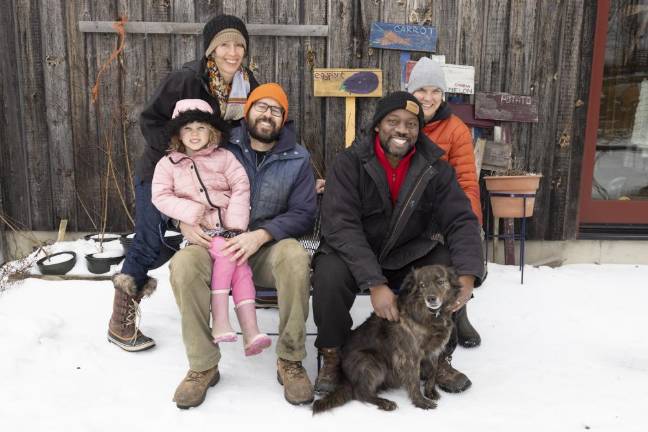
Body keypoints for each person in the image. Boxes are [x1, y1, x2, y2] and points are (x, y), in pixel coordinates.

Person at [312, 92, 485, 395]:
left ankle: (436, 357)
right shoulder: (349, 163)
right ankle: (333, 353)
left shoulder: (436, 169)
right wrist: (374, 283)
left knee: (446, 266)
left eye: (410, 124)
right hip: (357, 254)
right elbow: (341, 226)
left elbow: (461, 220)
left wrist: (468, 275)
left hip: (407, 255)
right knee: (328, 271)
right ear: (378, 126)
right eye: (393, 121)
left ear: (419, 130)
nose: (402, 130)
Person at [107, 15, 259, 352]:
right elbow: (150, 121)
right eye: (224, 44)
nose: (232, 52)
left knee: (199, 243)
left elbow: (254, 130)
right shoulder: (186, 80)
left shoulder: (248, 86)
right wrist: (184, 152)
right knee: (149, 243)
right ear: (210, 49)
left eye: (239, 45)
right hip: (164, 170)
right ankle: (120, 322)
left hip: (210, 179)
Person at [169, 83, 317, 409]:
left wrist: (262, 235)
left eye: (275, 109)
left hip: (264, 248)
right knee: (183, 265)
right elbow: (176, 183)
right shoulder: (221, 144)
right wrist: (182, 222)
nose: (267, 114)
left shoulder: (297, 158)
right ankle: (203, 365)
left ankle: (290, 359)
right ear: (247, 111)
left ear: (284, 118)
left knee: (295, 256)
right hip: (213, 242)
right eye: (261, 107)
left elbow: (305, 212)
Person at [151, 98, 271, 357]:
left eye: (201, 128)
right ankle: (221, 319)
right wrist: (191, 213)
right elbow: (160, 197)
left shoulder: (224, 158)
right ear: (177, 134)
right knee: (232, 256)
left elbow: (241, 186)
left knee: (241, 266)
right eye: (187, 129)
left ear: (212, 131)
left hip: (230, 230)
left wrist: (237, 227)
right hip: (202, 233)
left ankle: (250, 332)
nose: (194, 135)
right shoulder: (167, 165)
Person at [407, 56, 483, 348]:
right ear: (411, 92)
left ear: (443, 94)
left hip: (444, 210)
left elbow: (466, 181)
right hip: (408, 212)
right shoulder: (401, 121)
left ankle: (459, 313)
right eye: (422, 90)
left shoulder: (456, 130)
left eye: (435, 91)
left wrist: (469, 221)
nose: (428, 97)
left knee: (457, 243)